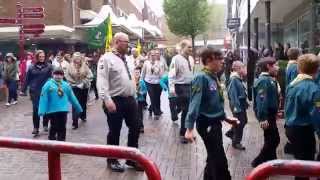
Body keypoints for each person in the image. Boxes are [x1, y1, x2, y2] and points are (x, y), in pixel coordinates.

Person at [184, 48, 238, 180]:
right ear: (208, 60)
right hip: (207, 125)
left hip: (215, 124)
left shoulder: (212, 76)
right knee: (219, 161)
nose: (222, 62)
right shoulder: (201, 78)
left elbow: (214, 103)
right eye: (219, 59)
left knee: (213, 157)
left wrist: (225, 118)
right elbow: (194, 104)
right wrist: (189, 128)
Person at [97, 32, 143, 172]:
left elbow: (130, 76)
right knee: (115, 131)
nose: (128, 44)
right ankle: (112, 159)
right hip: (115, 100)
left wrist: (135, 84)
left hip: (130, 99)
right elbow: (102, 80)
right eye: (125, 41)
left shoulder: (128, 58)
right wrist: (107, 100)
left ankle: (131, 158)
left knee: (135, 127)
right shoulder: (106, 59)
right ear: (117, 42)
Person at [285, 54, 320, 180]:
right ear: (316, 69)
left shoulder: (293, 84)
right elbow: (317, 114)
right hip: (303, 130)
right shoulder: (313, 89)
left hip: (291, 128)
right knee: (306, 165)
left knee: (300, 163)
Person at [38, 67, 82, 141]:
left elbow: (72, 97)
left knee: (62, 126)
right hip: (52, 110)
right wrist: (41, 110)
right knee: (54, 126)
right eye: (56, 74)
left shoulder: (66, 85)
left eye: (60, 74)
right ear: (53, 75)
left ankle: (61, 141)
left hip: (63, 110)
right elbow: (43, 98)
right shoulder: (48, 84)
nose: (58, 76)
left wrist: (78, 107)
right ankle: (51, 140)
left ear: (63, 76)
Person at [252, 57, 280, 167]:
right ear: (268, 66)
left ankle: (272, 161)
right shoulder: (264, 80)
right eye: (275, 65)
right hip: (267, 114)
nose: (277, 67)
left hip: (271, 114)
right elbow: (262, 100)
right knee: (274, 139)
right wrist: (263, 118)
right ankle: (258, 162)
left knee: (270, 138)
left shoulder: (269, 79)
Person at [169, 40, 195, 144]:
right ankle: (183, 133)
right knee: (187, 110)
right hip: (180, 86)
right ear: (183, 47)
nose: (191, 49)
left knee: (188, 110)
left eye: (191, 47)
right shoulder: (176, 59)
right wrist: (172, 90)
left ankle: (187, 131)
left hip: (189, 86)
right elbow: (171, 75)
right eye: (188, 47)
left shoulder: (191, 59)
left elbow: (191, 72)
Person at [22, 50, 53, 136]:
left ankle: (45, 124)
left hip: (46, 90)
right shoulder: (32, 67)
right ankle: (36, 127)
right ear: (36, 57)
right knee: (36, 109)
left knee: (46, 108)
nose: (42, 58)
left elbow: (52, 78)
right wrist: (23, 89)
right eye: (40, 57)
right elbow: (27, 79)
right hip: (34, 91)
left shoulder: (49, 66)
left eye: (43, 57)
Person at [65, 52, 93, 129]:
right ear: (73, 58)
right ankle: (75, 122)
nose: (78, 59)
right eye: (76, 57)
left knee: (83, 103)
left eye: (79, 57)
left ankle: (83, 116)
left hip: (84, 87)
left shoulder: (85, 65)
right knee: (75, 103)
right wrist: (74, 83)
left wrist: (83, 83)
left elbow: (90, 75)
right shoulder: (69, 66)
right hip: (74, 87)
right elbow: (67, 76)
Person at [225, 61, 248, 150]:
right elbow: (233, 94)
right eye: (243, 67)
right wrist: (236, 107)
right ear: (238, 69)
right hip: (237, 105)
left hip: (240, 104)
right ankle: (236, 142)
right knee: (240, 123)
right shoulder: (234, 79)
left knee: (244, 121)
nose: (244, 69)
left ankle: (231, 132)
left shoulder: (238, 78)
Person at [141, 49, 165, 120]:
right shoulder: (146, 63)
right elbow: (143, 72)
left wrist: (156, 68)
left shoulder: (160, 63)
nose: (153, 56)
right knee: (152, 96)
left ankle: (151, 108)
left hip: (157, 82)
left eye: (154, 55)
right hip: (148, 82)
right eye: (151, 55)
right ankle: (156, 113)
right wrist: (141, 81)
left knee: (157, 97)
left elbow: (161, 74)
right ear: (149, 56)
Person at [134, 67, 147, 133]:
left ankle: (141, 127)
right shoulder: (132, 82)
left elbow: (145, 91)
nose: (137, 74)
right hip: (133, 101)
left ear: (140, 74)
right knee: (134, 114)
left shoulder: (142, 82)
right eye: (135, 72)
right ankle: (135, 127)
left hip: (140, 100)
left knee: (139, 114)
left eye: (138, 72)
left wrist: (141, 93)